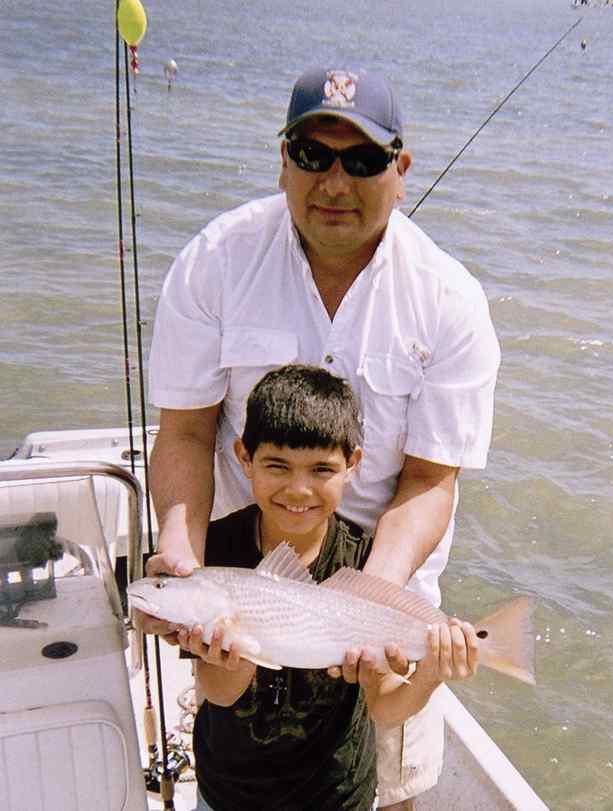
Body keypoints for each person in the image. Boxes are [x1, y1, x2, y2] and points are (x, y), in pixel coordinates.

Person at [144, 66, 501, 809]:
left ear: (400, 172)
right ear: (282, 159)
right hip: (254, 585)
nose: (334, 182)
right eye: (313, 156)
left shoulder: (450, 300)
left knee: (377, 788)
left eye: (363, 161)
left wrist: (373, 597)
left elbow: (431, 481)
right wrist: (180, 556)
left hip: (389, 597)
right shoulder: (215, 263)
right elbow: (183, 432)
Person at [175, 364, 479, 811]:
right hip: (228, 792)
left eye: (321, 469)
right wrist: (231, 654)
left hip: (337, 795)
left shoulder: (365, 563)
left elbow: (386, 708)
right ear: (244, 457)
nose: (298, 490)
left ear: (353, 465)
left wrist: (433, 671)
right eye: (277, 465)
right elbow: (219, 693)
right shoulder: (214, 550)